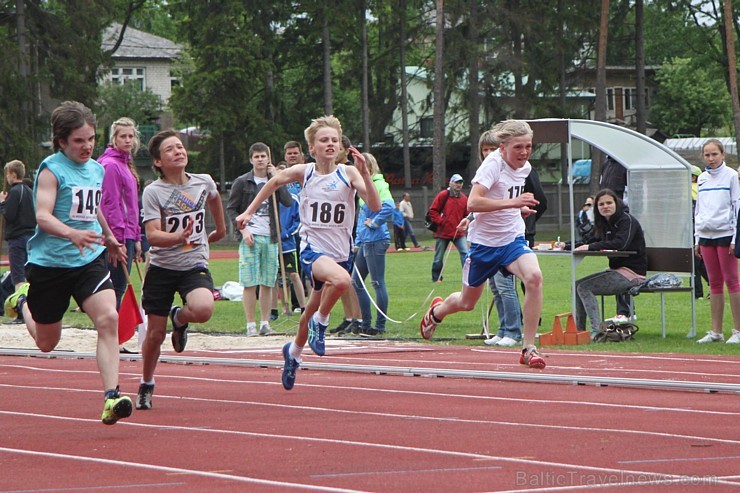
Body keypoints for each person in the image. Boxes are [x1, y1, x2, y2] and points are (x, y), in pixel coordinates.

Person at [236, 115, 381, 390]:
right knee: (341, 281)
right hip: (312, 249)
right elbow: (273, 182)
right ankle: (321, 323)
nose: (330, 144)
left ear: (340, 147)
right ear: (312, 148)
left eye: (334, 140)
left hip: (340, 252)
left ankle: (293, 353)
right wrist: (249, 211)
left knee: (310, 309)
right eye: (323, 140)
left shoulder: (348, 173)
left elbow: (373, 205)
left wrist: (364, 174)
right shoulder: (306, 172)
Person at [10, 101, 132, 424]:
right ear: (62, 141)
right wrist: (72, 234)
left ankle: (111, 396)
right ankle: (20, 297)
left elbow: (93, 206)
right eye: (79, 140)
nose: (87, 146)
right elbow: (43, 216)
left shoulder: (97, 169)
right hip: (50, 265)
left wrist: (107, 237)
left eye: (91, 138)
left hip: (88, 260)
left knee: (108, 318)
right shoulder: (51, 170)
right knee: (48, 343)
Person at [419, 120, 546, 369]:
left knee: (534, 278)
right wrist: (513, 203)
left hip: (512, 238)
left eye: (528, 146)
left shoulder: (525, 167)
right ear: (502, 147)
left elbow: (506, 198)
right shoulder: (492, 165)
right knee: (467, 303)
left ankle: (528, 348)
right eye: (518, 147)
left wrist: (519, 209)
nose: (524, 152)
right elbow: (473, 203)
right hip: (484, 244)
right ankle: (436, 312)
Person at [137, 129, 227, 409]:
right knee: (154, 335)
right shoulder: (153, 192)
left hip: (193, 264)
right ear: (158, 163)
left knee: (204, 308)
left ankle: (179, 318)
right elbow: (152, 235)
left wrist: (220, 228)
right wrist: (179, 237)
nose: (178, 151)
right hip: (162, 266)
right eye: (170, 150)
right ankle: (147, 383)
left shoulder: (203, 182)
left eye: (180, 147)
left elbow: (213, 197)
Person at [558, 189, 647, 338]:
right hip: (616, 270)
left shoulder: (627, 220)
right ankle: (580, 331)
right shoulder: (604, 223)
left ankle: (596, 331)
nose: (605, 206)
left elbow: (621, 244)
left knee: (584, 287)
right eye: (601, 204)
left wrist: (590, 247)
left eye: (609, 203)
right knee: (576, 286)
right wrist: (566, 246)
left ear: (616, 204)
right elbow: (589, 241)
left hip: (632, 274)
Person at [226, 142, 292, 336]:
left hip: (270, 237)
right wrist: (243, 230)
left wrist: (277, 178)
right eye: (257, 157)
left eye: (264, 156)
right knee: (249, 282)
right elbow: (231, 208)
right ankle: (250, 324)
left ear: (269, 159)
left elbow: (287, 202)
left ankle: (265, 322)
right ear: (251, 160)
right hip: (250, 237)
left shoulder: (275, 180)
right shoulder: (242, 182)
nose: (260, 160)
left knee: (268, 282)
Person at [695, 139, 740, 344]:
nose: (711, 158)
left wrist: (734, 238)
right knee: (714, 283)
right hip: (706, 235)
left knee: (732, 281)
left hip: (725, 234)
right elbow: (699, 210)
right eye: (707, 155)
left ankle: (738, 331)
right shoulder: (702, 179)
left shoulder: (731, 176)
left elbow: (736, 206)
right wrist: (697, 238)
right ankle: (716, 331)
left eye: (714, 154)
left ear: (723, 154)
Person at [98, 117, 142, 309]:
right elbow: (110, 204)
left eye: (131, 136)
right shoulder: (111, 165)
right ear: (113, 139)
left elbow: (132, 206)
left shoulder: (126, 165)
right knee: (115, 287)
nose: (128, 140)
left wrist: (137, 236)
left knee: (119, 287)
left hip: (129, 234)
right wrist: (117, 240)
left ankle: (112, 329)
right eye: (123, 136)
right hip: (117, 236)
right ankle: (110, 331)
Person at [352, 152, 394, 337]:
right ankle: (366, 322)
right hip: (366, 241)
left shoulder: (378, 184)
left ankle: (379, 325)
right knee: (356, 281)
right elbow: (362, 216)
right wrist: (358, 240)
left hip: (376, 239)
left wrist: (374, 222)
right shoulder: (362, 187)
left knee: (377, 282)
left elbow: (389, 207)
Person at [0, 159, 36, 323]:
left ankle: (19, 309)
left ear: (13, 175)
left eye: (8, 174)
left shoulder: (15, 191)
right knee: (28, 273)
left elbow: (10, 214)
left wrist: (2, 203)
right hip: (30, 236)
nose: (7, 177)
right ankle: (31, 308)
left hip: (17, 238)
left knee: (18, 276)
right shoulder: (29, 191)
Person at [275, 162, 306, 315]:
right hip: (274, 241)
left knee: (293, 274)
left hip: (288, 242)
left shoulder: (293, 198)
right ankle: (282, 307)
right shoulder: (272, 196)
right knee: (277, 277)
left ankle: (303, 306)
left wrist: (287, 233)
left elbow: (298, 219)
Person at [428, 174, 469, 282]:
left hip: (458, 233)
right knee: (438, 258)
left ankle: (467, 277)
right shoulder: (443, 195)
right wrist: (441, 221)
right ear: (450, 183)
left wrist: (465, 224)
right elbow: (433, 210)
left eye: (460, 182)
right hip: (443, 232)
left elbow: (467, 214)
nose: (458, 185)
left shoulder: (464, 199)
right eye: (456, 182)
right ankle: (436, 278)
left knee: (465, 253)